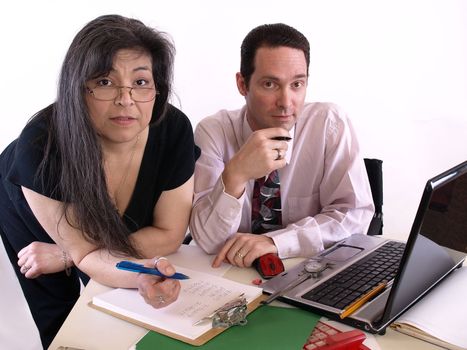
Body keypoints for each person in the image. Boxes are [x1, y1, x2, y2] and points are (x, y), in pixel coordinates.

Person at [0, 15, 199, 348]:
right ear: (78, 88)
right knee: (63, 318)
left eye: (140, 82)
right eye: (105, 82)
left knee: (118, 300)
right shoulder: (40, 148)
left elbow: (169, 234)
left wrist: (71, 255)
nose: (126, 99)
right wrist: (84, 258)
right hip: (27, 201)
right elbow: (90, 256)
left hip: (92, 239)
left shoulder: (173, 129)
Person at [190, 23, 374, 269]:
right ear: (242, 84)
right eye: (270, 84)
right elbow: (208, 241)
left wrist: (275, 242)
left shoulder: (329, 124)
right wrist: (236, 174)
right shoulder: (214, 131)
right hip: (234, 275)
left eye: (297, 84)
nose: (286, 102)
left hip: (310, 272)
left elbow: (354, 217)